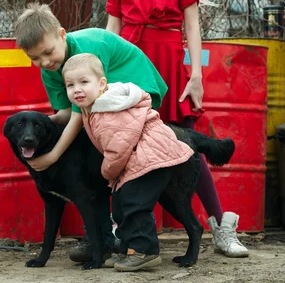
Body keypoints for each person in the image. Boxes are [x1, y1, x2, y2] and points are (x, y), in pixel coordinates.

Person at [105, 0, 248, 257]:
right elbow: (112, 26)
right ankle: (121, 232)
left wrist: (196, 74)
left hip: (168, 57)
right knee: (126, 144)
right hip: (129, 61)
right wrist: (103, 74)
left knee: (187, 144)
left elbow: (193, 24)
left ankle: (220, 227)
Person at [13, 2, 168, 261]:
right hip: (98, 102)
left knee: (126, 161)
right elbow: (64, 114)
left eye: (48, 52)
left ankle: (134, 242)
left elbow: (77, 114)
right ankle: (102, 238)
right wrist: (36, 123)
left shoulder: (88, 47)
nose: (44, 62)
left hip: (135, 89)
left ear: (62, 35)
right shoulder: (50, 70)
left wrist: (51, 157)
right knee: (89, 157)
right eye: (34, 58)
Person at [62, 53, 194, 271]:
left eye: (84, 82)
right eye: (70, 85)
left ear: (101, 84)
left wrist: (108, 173)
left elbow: (117, 150)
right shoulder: (95, 108)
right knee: (122, 205)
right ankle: (128, 251)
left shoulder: (107, 111)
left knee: (135, 204)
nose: (77, 89)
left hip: (151, 157)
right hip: (139, 158)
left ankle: (145, 251)